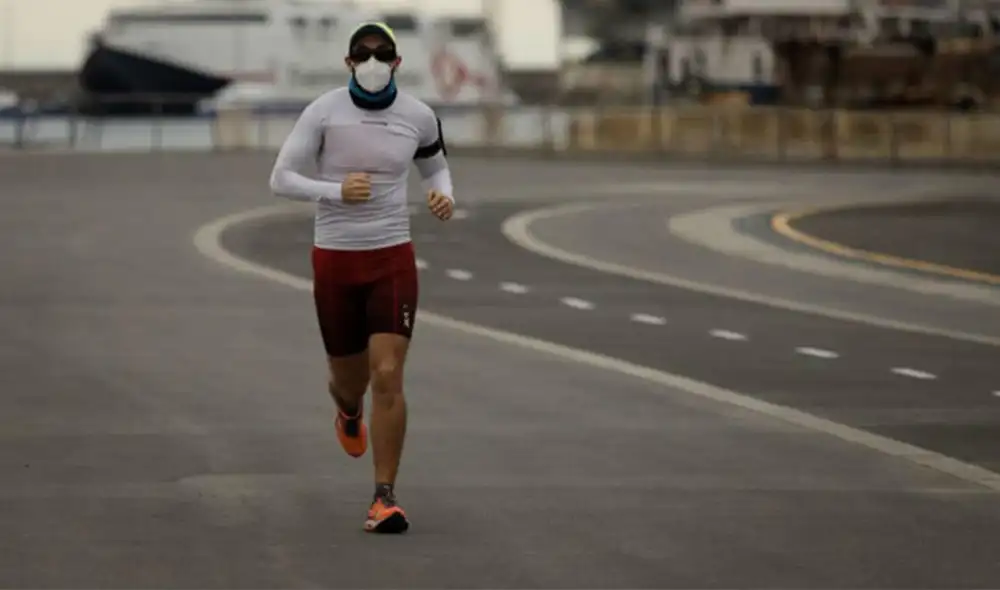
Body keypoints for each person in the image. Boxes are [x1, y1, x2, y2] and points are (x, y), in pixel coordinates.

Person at [268, 21, 455, 534]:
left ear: (397, 62)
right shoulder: (324, 111)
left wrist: (444, 195)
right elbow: (280, 178)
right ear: (349, 63)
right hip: (335, 259)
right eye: (363, 53)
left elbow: (435, 168)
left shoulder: (417, 115)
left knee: (388, 374)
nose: (373, 61)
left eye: (383, 53)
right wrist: (332, 191)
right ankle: (348, 412)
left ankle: (384, 498)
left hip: (391, 256)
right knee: (349, 382)